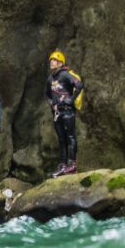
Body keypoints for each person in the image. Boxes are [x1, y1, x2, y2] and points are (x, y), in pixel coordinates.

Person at [45, 49, 84, 177]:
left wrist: (71, 100)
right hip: (58, 113)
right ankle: (63, 165)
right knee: (61, 140)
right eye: (51, 60)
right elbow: (47, 94)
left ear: (61, 63)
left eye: (55, 60)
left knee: (71, 137)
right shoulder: (50, 78)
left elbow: (79, 85)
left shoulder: (65, 74)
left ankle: (72, 164)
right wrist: (52, 105)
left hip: (68, 112)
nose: (52, 62)